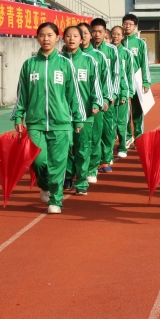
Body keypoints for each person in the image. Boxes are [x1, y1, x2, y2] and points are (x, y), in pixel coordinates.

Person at [12, 22, 85, 214]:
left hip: (61, 123)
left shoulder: (65, 64)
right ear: (37, 37)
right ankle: (45, 185)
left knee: (58, 163)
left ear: (57, 38)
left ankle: (56, 200)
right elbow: (22, 94)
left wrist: (78, 118)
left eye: (50, 35)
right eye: (42, 35)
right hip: (35, 123)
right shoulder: (29, 64)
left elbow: (74, 94)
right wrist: (18, 116)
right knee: (38, 161)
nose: (46, 39)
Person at [62, 26, 104, 196]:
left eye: (75, 36)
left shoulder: (89, 61)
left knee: (82, 148)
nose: (71, 39)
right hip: (63, 114)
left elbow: (96, 85)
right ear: (63, 38)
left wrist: (97, 102)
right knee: (65, 147)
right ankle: (68, 175)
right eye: (68, 36)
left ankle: (81, 181)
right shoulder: (58, 61)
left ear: (82, 40)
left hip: (85, 113)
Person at [78, 22, 110, 185]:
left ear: (90, 35)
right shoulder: (66, 57)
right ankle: (75, 171)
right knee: (76, 140)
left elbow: (106, 80)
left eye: (85, 33)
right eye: (79, 33)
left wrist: (105, 99)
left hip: (93, 106)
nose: (82, 36)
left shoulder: (98, 56)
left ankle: (91, 168)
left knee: (94, 137)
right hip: (73, 107)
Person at [90, 18, 119, 174]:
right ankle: (92, 161)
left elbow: (116, 73)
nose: (96, 34)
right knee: (92, 131)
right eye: (94, 31)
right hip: (91, 98)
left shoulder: (111, 50)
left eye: (100, 31)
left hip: (107, 97)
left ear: (105, 32)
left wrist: (112, 95)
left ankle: (106, 159)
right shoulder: (85, 49)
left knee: (107, 130)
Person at [122, 13, 150, 144]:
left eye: (130, 24)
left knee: (138, 112)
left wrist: (146, 82)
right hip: (123, 83)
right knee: (124, 112)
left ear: (135, 26)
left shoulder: (140, 43)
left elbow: (145, 63)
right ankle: (128, 137)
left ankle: (139, 139)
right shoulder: (119, 42)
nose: (127, 26)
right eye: (125, 24)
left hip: (137, 81)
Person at [111, 26, 134, 159]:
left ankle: (122, 147)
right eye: (113, 34)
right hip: (110, 94)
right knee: (111, 123)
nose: (115, 36)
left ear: (122, 36)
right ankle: (108, 150)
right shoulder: (107, 51)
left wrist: (129, 93)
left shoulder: (126, 53)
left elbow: (130, 74)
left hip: (122, 93)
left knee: (122, 122)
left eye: (118, 34)